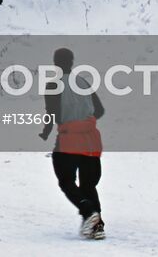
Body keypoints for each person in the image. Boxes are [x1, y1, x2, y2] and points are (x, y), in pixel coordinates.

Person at [39, 47, 106, 239]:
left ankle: (88, 212)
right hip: (91, 140)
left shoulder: (53, 85)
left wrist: (46, 132)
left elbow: (52, 114)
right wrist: (85, 119)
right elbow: (99, 111)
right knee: (88, 185)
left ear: (55, 63)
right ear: (72, 61)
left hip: (69, 139)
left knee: (66, 181)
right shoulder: (84, 83)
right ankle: (97, 225)